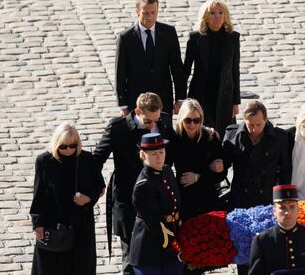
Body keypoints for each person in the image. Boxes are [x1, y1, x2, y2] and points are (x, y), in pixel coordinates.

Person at [93, 92, 175, 275]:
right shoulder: (118, 127)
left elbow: (176, 148)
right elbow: (97, 159)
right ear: (137, 111)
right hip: (128, 200)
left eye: (156, 119)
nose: (153, 124)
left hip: (158, 201)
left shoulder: (164, 121)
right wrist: (97, 185)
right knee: (131, 257)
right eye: (148, 121)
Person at [223, 101, 292, 275]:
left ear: (266, 120)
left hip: (266, 203)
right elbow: (222, 168)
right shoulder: (233, 136)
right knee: (244, 256)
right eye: (250, 125)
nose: (254, 129)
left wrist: (282, 202)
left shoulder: (279, 138)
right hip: (241, 203)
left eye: (258, 125)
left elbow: (285, 172)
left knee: (268, 254)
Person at [30, 122, 105, 275]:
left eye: (73, 145)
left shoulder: (86, 159)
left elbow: (99, 186)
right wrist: (37, 223)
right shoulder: (44, 161)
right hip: (53, 222)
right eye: (63, 146)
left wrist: (88, 198)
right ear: (57, 144)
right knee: (51, 267)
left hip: (81, 223)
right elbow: (38, 194)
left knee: (80, 266)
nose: (69, 150)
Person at [115, 0, 186, 116]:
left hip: (163, 100)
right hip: (136, 101)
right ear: (137, 11)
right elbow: (120, 73)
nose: (150, 17)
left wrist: (180, 99)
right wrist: (123, 105)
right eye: (146, 13)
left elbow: (177, 68)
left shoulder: (168, 33)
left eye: (153, 13)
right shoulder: (125, 38)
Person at [184, 0, 240, 139]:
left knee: (224, 134)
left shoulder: (233, 38)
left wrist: (236, 101)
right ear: (206, 16)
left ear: (225, 15)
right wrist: (181, 99)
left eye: (220, 13)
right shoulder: (195, 38)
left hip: (224, 95)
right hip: (201, 93)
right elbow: (186, 70)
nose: (217, 16)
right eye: (212, 13)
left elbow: (235, 71)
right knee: (200, 133)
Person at [130, 133, 183, 275]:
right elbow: (155, 223)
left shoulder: (166, 171)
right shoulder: (144, 185)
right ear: (143, 155)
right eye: (153, 154)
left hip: (171, 244)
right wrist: (175, 247)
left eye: (161, 152)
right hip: (150, 251)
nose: (159, 157)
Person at [248, 185, 305, 275]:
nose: (287, 212)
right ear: (274, 211)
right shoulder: (262, 241)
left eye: (292, 207)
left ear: (298, 209)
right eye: (282, 207)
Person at [170, 98, 226, 220]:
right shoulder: (174, 139)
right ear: (181, 119)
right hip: (185, 198)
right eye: (188, 120)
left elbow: (221, 173)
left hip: (207, 196)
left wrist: (198, 177)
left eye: (196, 120)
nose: (192, 125)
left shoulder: (210, 138)